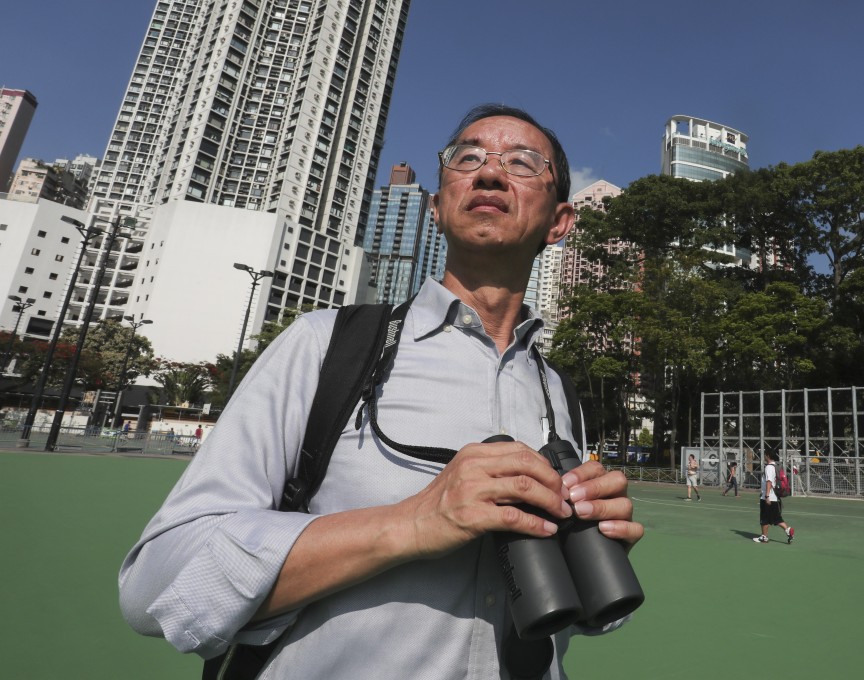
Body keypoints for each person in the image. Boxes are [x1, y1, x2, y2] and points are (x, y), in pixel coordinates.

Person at [118, 104, 643, 679]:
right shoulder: (326, 345)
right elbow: (158, 583)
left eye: (521, 163)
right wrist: (411, 522)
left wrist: (591, 549)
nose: (490, 173)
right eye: (468, 158)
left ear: (560, 222)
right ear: (437, 207)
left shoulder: (556, 390)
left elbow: (557, 619)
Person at [753, 451, 794, 544]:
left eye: (765, 455)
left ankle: (764, 537)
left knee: (764, 518)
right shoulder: (776, 466)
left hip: (768, 497)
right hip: (775, 497)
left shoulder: (769, 467)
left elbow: (769, 481)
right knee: (777, 518)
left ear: (768, 455)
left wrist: (766, 496)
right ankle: (788, 530)